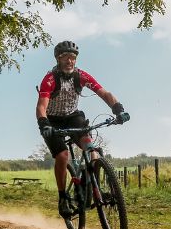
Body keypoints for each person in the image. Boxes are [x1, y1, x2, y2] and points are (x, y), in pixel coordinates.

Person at [36, 40, 129, 218]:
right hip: (52, 121)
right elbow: (41, 106)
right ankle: (63, 197)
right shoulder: (49, 79)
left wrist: (118, 109)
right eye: (65, 58)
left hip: (73, 117)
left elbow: (104, 93)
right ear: (58, 59)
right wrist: (44, 123)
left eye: (73, 57)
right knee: (63, 156)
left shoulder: (82, 76)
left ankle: (92, 185)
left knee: (91, 148)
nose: (69, 61)